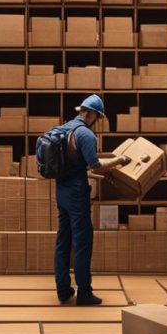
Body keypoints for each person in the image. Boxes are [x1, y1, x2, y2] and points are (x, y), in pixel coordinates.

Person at [54, 94, 130, 305]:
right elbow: (95, 165)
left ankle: (63, 290)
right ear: (92, 114)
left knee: (63, 241)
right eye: (97, 116)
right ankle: (84, 293)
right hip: (77, 195)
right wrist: (120, 160)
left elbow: (79, 165)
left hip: (61, 190)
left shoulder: (66, 127)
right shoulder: (86, 135)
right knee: (82, 243)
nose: (97, 120)